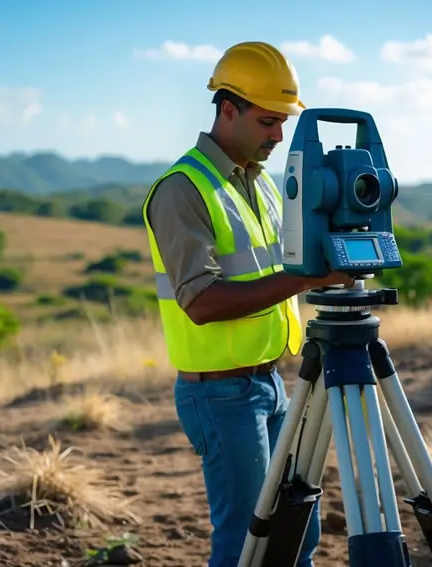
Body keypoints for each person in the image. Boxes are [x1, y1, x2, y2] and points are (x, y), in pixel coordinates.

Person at [141, 41, 354, 567]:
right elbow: (204, 301)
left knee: (297, 532)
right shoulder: (183, 189)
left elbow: (277, 269)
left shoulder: (259, 186)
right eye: (267, 122)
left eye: (283, 122)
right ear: (228, 109)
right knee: (245, 542)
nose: (279, 136)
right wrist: (305, 279)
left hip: (274, 383)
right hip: (220, 394)